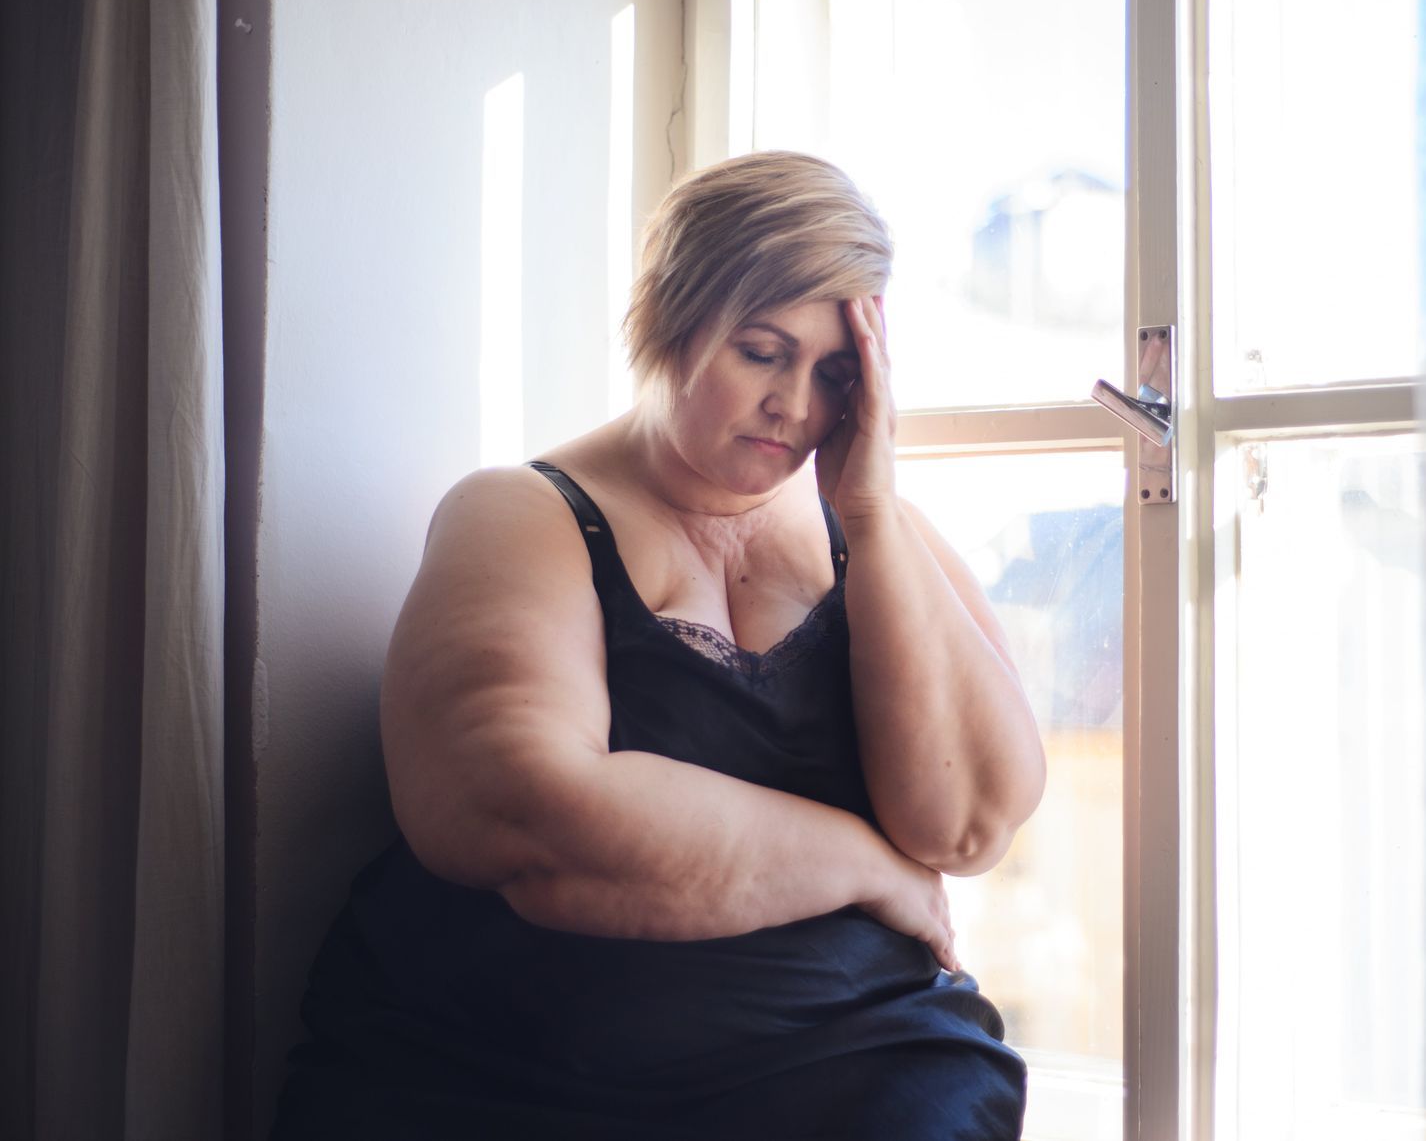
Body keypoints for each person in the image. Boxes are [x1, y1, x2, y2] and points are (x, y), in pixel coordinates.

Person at [272, 151, 1046, 1140]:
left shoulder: (874, 527)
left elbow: (968, 825)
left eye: (835, 373)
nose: (796, 405)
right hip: (508, 1066)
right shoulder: (520, 513)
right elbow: (527, 815)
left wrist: (873, 515)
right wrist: (864, 864)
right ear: (669, 317)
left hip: (849, 1050)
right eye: (762, 350)